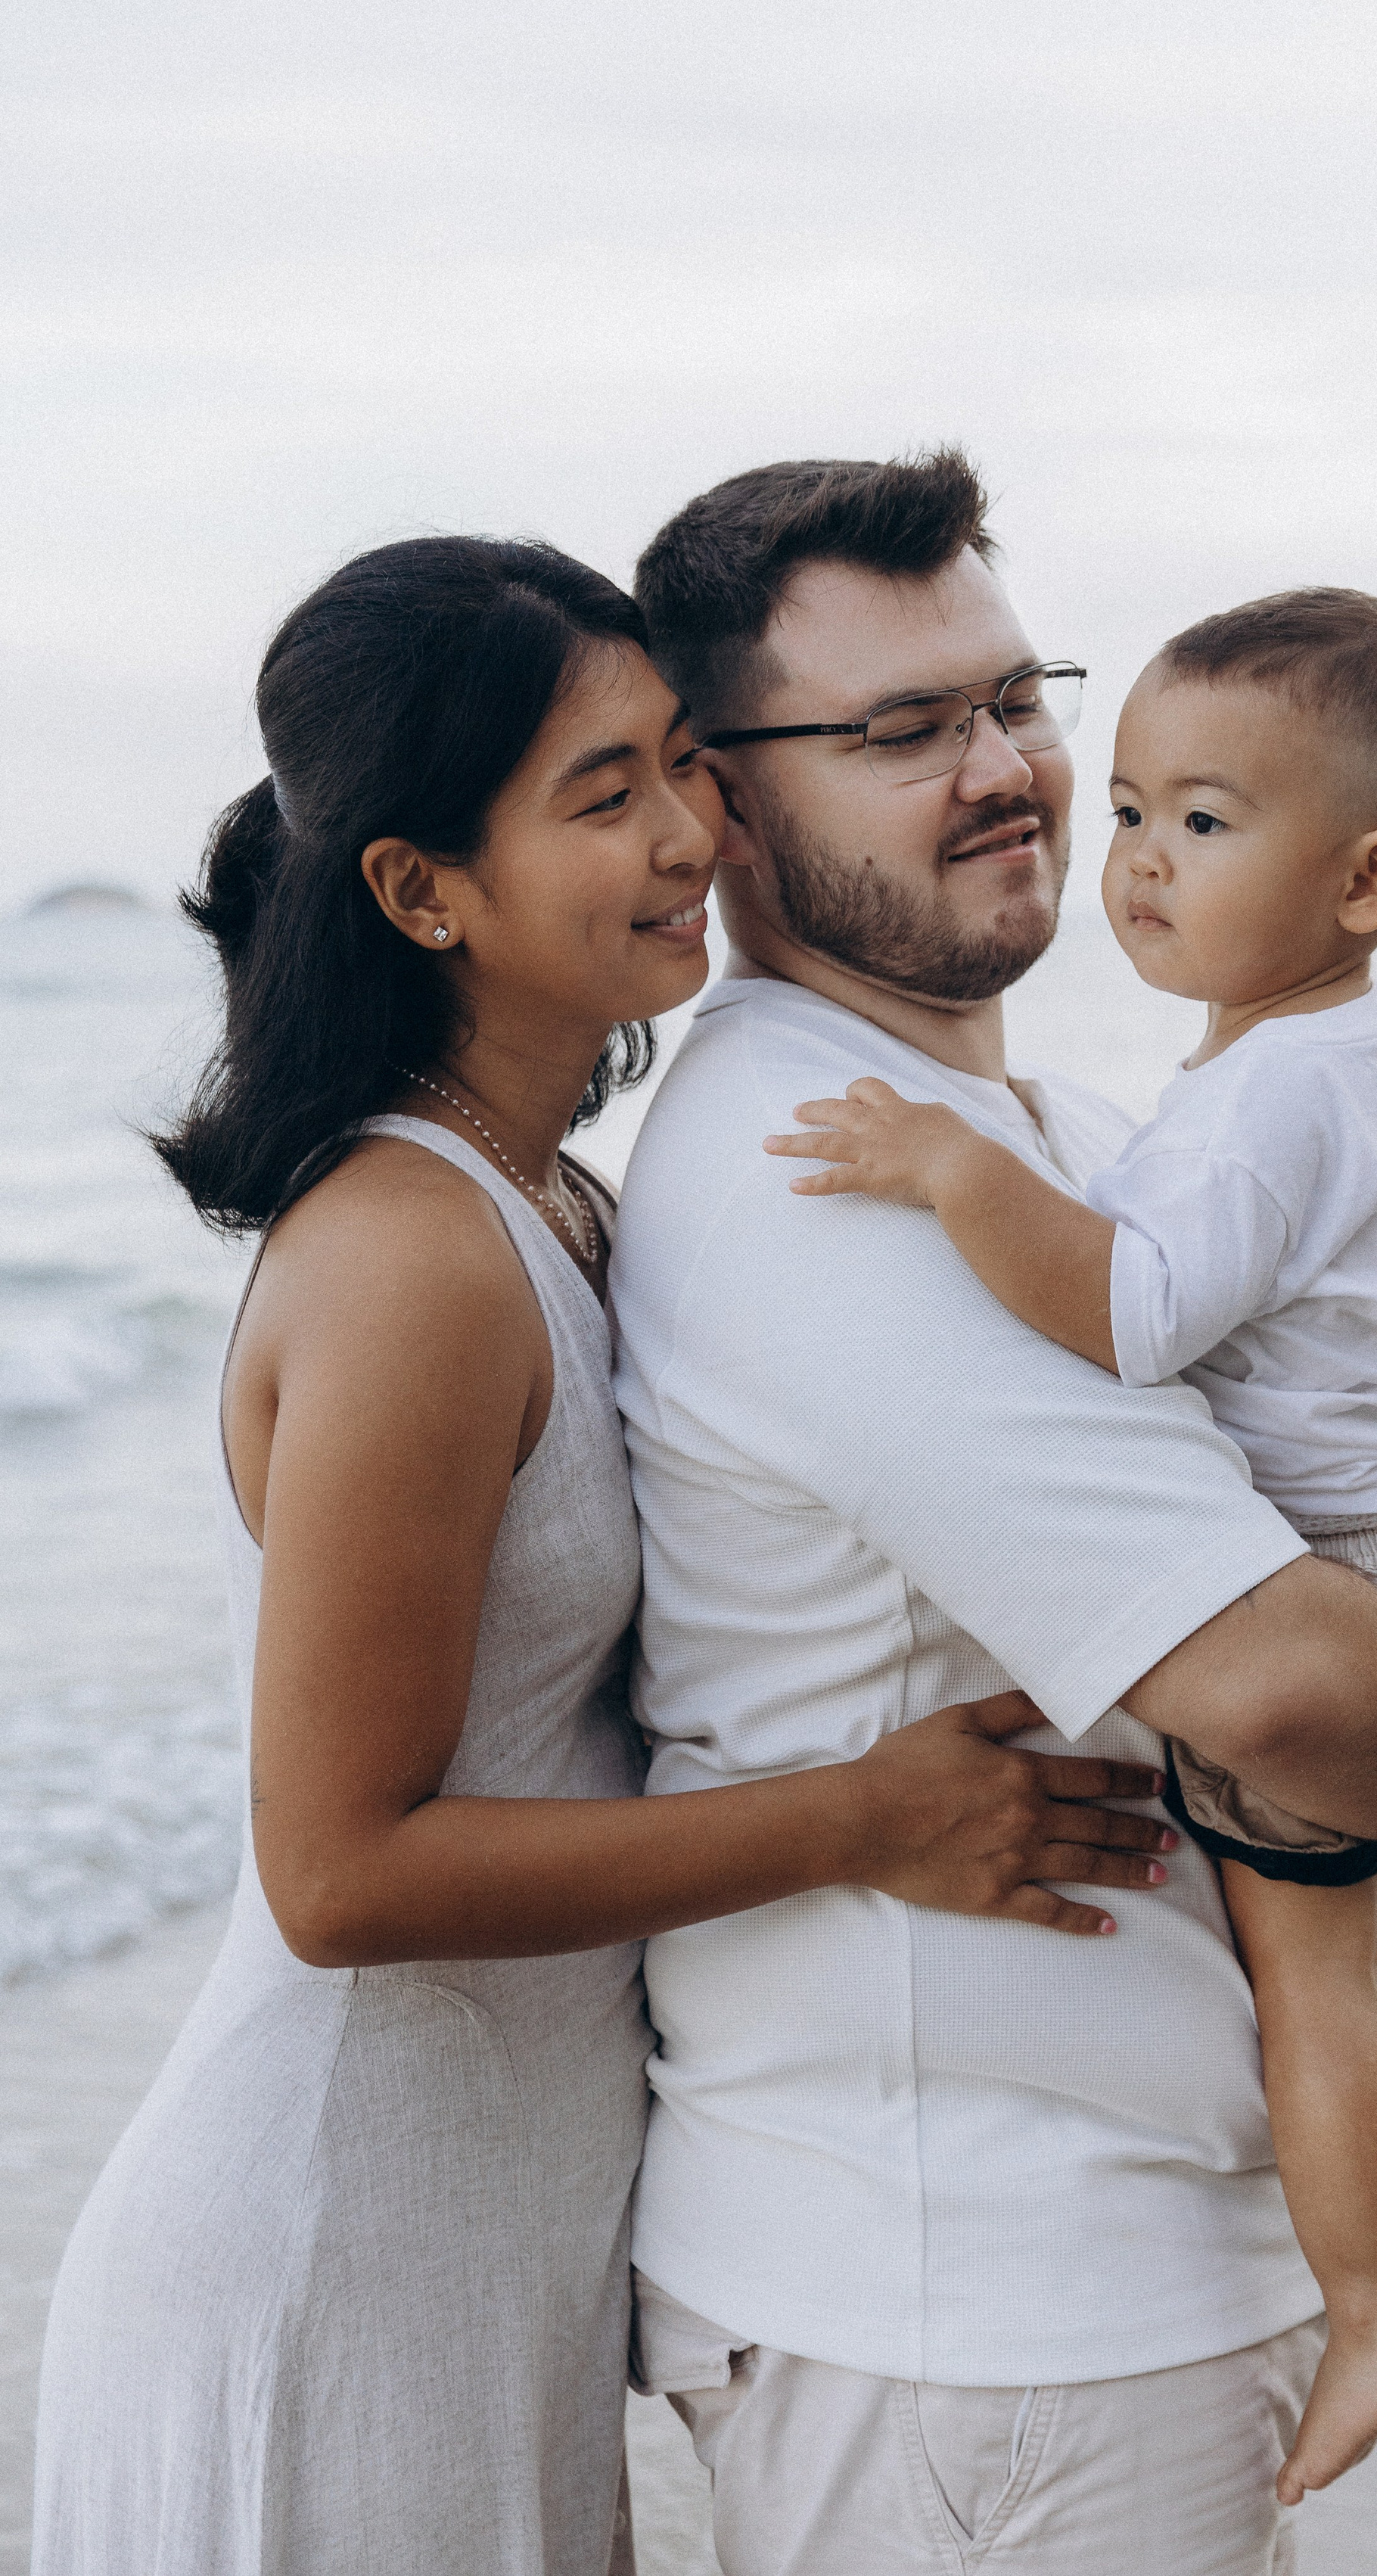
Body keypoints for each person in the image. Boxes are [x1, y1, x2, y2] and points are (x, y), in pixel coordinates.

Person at [31, 535, 1174, 2576]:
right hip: (335, 2246)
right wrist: (866, 1818)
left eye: (679, 763)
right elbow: (338, 1871)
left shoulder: (562, 1199)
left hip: (504, 2228)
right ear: (422, 891)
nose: (687, 834)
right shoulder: (409, 1259)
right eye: (603, 794)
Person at [612, 452, 1377, 2575]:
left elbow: (1312, 1414)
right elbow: (1299, 1698)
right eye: (902, 727)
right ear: (720, 801)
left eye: (1011, 696)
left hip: (1079, 2300)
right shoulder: (826, 1173)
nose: (1003, 771)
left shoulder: (1052, 1137)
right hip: (986, 2319)